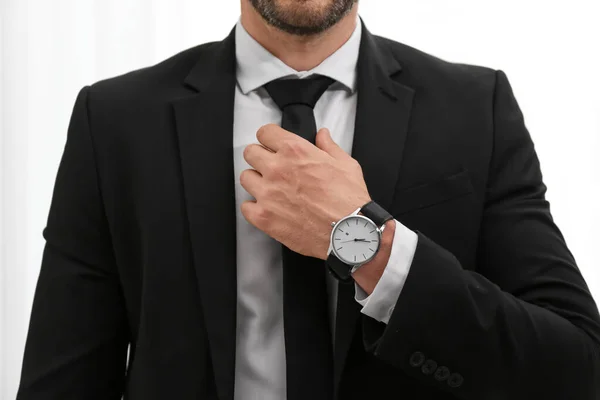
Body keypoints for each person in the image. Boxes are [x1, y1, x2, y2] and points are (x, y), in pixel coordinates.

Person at [16, 0, 600, 399]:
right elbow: (62, 382)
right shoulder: (116, 120)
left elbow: (577, 367)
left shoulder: (476, 108)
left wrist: (367, 244)